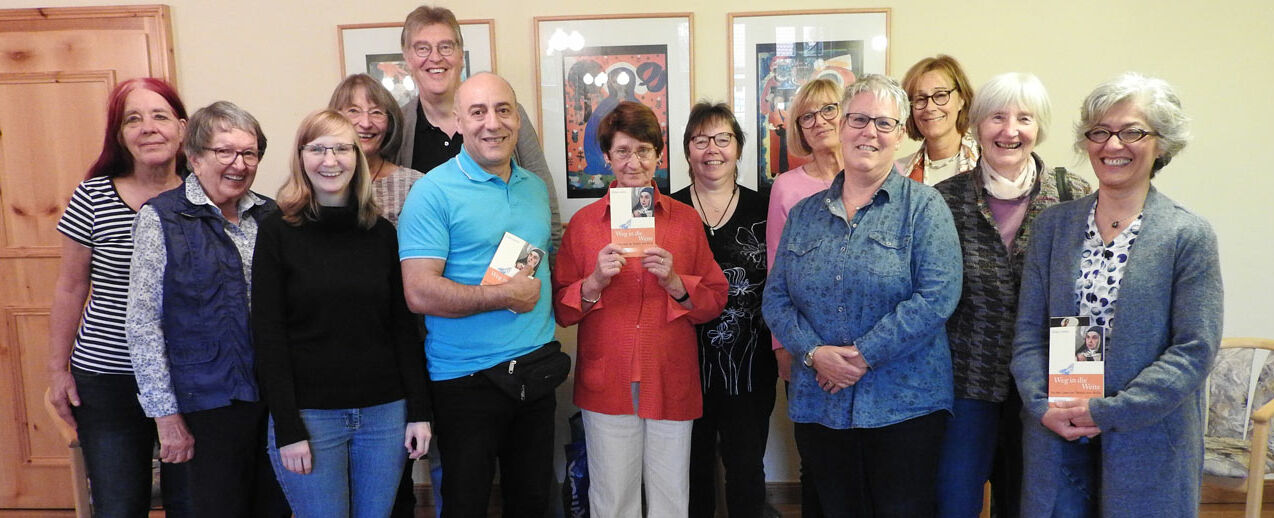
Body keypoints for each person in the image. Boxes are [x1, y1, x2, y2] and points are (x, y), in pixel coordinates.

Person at [1011, 73, 1222, 517]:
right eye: (1100, 132)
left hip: (1148, 438)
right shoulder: (1054, 226)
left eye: (1132, 132)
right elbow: (1029, 332)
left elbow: (1193, 350)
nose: (1113, 145)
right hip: (1060, 433)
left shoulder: (1187, 234)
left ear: (1162, 143)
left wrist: (1111, 410)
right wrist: (1040, 404)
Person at [762, 74, 962, 517]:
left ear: (901, 133)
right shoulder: (803, 214)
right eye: (857, 119)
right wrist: (815, 354)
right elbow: (776, 300)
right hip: (821, 402)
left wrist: (859, 356)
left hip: (905, 405)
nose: (868, 131)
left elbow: (937, 296)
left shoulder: (925, 207)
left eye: (883, 123)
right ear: (842, 126)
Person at [251, 110, 432, 516]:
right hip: (310, 417)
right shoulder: (277, 231)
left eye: (341, 148)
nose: (330, 160)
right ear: (301, 157)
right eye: (317, 148)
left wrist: (419, 412)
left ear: (358, 158)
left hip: (384, 415)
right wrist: (288, 427)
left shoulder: (382, 233)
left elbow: (403, 329)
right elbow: (268, 336)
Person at [553, 101, 729, 518]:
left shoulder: (685, 222)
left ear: (658, 154)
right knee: (612, 499)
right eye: (623, 151)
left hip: (670, 374)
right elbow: (561, 310)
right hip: (607, 378)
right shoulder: (583, 225)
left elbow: (715, 300)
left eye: (644, 150)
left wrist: (676, 283)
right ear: (608, 157)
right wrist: (593, 282)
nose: (634, 162)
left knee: (671, 497)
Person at [398, 72, 559, 518]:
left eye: (503, 110)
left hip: (534, 371)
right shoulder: (431, 192)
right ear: (459, 122)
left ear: (518, 120)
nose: (493, 123)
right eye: (478, 112)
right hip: (465, 382)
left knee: (531, 502)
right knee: (465, 504)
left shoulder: (534, 188)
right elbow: (419, 292)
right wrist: (502, 296)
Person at [932, 72, 1092, 518]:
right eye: (997, 117)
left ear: (1038, 127)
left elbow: (1085, 297)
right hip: (965, 383)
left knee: (1032, 502)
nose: (1010, 130)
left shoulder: (1072, 197)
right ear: (977, 124)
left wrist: (1078, 390)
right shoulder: (943, 200)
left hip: (1046, 386)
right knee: (954, 501)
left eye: (1024, 118)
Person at [126, 101, 289, 517]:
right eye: (225, 152)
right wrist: (165, 416)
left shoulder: (271, 216)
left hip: (271, 399)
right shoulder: (162, 218)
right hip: (204, 404)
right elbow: (144, 324)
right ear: (195, 157)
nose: (239, 164)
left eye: (249, 153)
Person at [46, 78, 189, 517]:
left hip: (188, 378)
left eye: (160, 116)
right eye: (133, 119)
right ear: (120, 135)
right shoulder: (94, 195)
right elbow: (71, 287)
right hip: (108, 379)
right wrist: (57, 370)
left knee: (194, 503)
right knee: (119, 505)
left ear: (181, 129)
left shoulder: (202, 193)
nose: (148, 127)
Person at [669, 102, 775, 518]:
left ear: (738, 148)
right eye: (700, 140)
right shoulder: (665, 210)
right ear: (687, 150)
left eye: (722, 139)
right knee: (690, 470)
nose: (712, 149)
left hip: (751, 365)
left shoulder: (765, 208)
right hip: (681, 364)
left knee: (746, 469)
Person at [396, 5, 561, 255]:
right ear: (407, 58)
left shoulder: (509, 117)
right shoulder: (397, 126)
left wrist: (552, 268)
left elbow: (543, 197)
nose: (435, 57)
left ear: (461, 56)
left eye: (446, 47)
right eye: (422, 48)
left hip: (507, 275)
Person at [765, 77, 844, 518]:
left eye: (828, 110)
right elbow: (779, 274)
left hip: (866, 351)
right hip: (805, 346)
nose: (818, 122)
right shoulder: (787, 187)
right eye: (806, 116)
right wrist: (786, 346)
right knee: (817, 460)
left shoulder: (874, 177)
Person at [329, 73, 423, 226]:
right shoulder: (321, 180)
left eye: (376, 112)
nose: (366, 123)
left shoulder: (414, 185)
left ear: (390, 124)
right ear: (334, 119)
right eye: (353, 111)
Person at [896, 55, 979, 185]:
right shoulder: (898, 174)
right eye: (921, 99)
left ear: (961, 99)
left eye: (940, 95)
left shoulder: (989, 165)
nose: (930, 107)